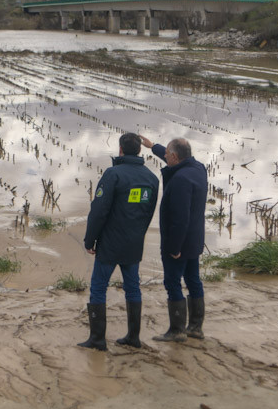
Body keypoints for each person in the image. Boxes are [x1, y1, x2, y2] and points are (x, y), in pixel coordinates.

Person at [78, 132, 159, 351]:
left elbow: (99, 211)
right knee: (133, 288)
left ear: (121, 149)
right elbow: (149, 213)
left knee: (98, 288)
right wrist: (137, 234)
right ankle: (133, 337)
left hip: (111, 243)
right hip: (134, 243)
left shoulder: (113, 174)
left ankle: (97, 339)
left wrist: (90, 240)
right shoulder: (152, 179)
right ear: (140, 150)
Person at [140, 135, 208, 342]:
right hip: (195, 239)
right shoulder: (198, 169)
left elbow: (180, 218)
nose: (166, 157)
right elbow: (174, 157)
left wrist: (174, 247)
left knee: (172, 282)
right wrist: (153, 147)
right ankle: (195, 327)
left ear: (175, 157)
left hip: (180, 241)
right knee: (193, 280)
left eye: (167, 154)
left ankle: (177, 330)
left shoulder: (180, 180)